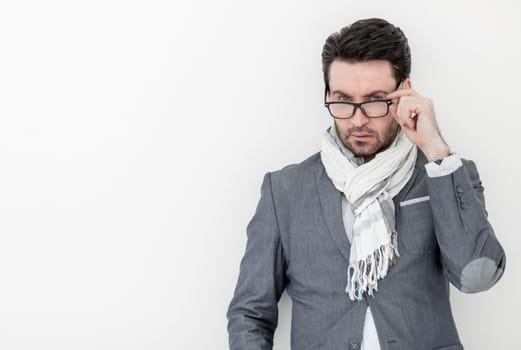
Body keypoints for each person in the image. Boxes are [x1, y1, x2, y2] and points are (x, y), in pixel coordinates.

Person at [226, 18, 506, 350]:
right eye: (343, 100)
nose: (358, 120)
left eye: (375, 100)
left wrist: (435, 149)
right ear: (327, 94)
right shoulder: (284, 190)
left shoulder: (445, 174)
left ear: (404, 92)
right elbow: (250, 314)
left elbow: (477, 276)